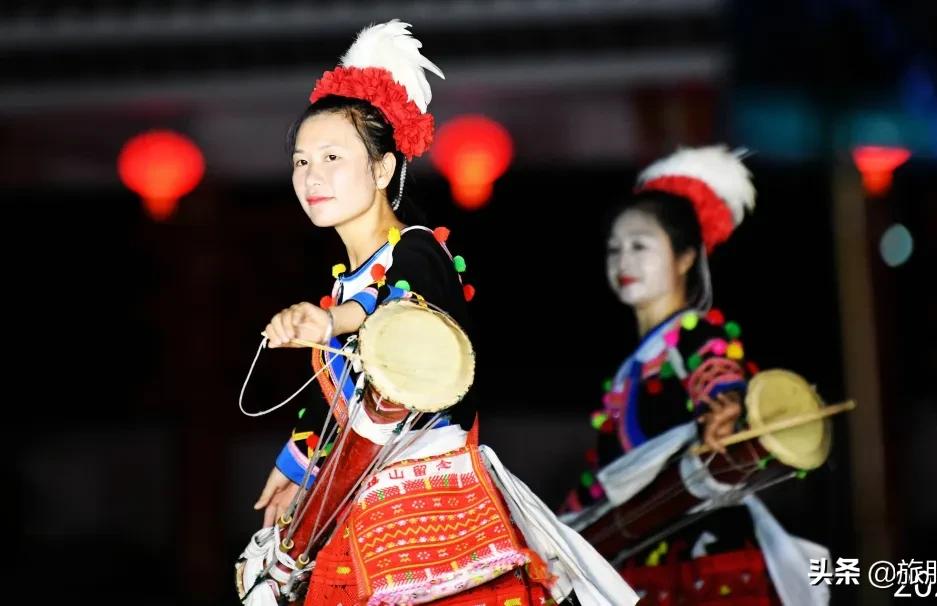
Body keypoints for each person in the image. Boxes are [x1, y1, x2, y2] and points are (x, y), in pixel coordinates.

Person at [233, 20, 637, 606]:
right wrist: (293, 469)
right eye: (300, 162)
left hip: (430, 517)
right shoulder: (347, 284)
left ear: (382, 169)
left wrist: (332, 324)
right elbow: (331, 400)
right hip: (361, 514)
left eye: (330, 157)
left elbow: (403, 313)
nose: (310, 176)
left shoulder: (418, 250)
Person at [559, 146, 829, 605]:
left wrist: (725, 409)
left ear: (685, 257)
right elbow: (606, 477)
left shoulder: (697, 335)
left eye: (640, 246)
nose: (624, 261)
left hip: (699, 555)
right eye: (615, 249)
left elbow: (718, 375)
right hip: (639, 552)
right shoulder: (636, 364)